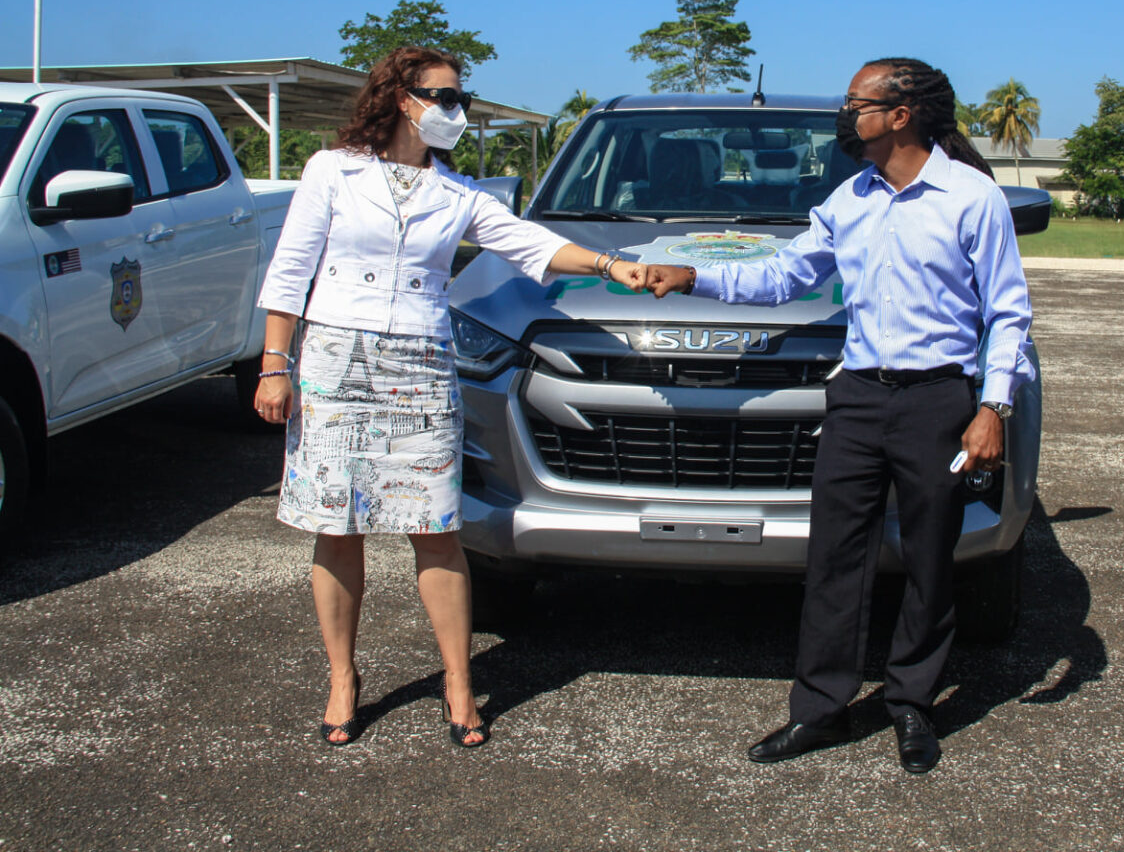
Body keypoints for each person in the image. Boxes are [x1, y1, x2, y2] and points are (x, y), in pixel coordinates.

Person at [645, 57, 1034, 773]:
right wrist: (694, 275)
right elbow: (782, 276)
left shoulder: (972, 198)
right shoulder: (850, 199)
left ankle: (912, 703)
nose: (845, 115)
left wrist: (993, 408)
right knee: (834, 559)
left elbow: (1008, 314)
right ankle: (819, 711)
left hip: (938, 400)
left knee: (928, 560)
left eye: (857, 103)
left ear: (902, 114)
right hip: (856, 396)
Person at [253, 46, 646, 748]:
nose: (456, 112)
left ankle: (458, 681)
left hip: (422, 364)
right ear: (404, 98)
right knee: (338, 526)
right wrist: (273, 365)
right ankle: (343, 678)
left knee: (436, 529)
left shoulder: (459, 195)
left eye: (459, 99)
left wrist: (617, 266)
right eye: (445, 98)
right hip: (337, 359)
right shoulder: (333, 171)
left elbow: (531, 245)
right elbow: (290, 273)